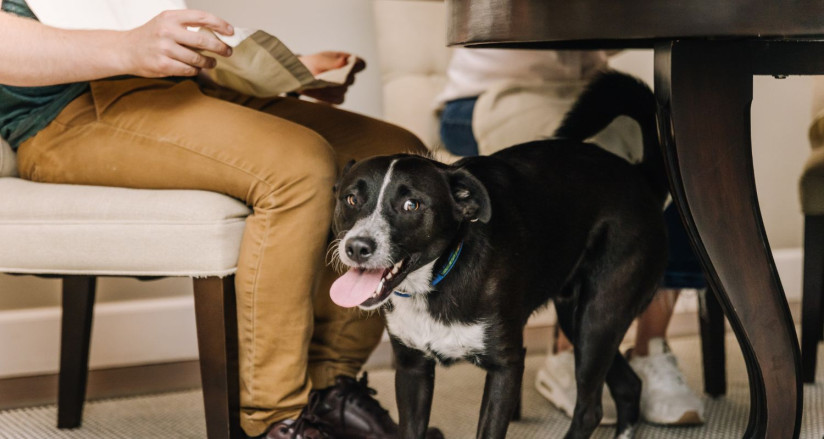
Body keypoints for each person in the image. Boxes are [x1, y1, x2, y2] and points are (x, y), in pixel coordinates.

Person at [0, 1, 444, 438]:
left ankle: (330, 385)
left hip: (178, 90)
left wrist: (277, 73)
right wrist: (127, 48)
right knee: (300, 166)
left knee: (392, 153)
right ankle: (278, 417)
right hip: (65, 116)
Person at [436, 47, 706, 426]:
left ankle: (650, 348)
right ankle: (573, 348)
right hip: (492, 92)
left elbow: (613, 35)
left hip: (586, 82)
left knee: (691, 154)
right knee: (580, 160)